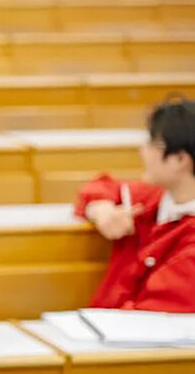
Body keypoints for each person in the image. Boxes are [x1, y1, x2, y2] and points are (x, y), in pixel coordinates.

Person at [75, 97, 195, 312]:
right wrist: (101, 209)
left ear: (180, 159)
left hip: (133, 336)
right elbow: (99, 186)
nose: (142, 151)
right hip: (104, 327)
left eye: (152, 143)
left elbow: (154, 313)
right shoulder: (153, 198)